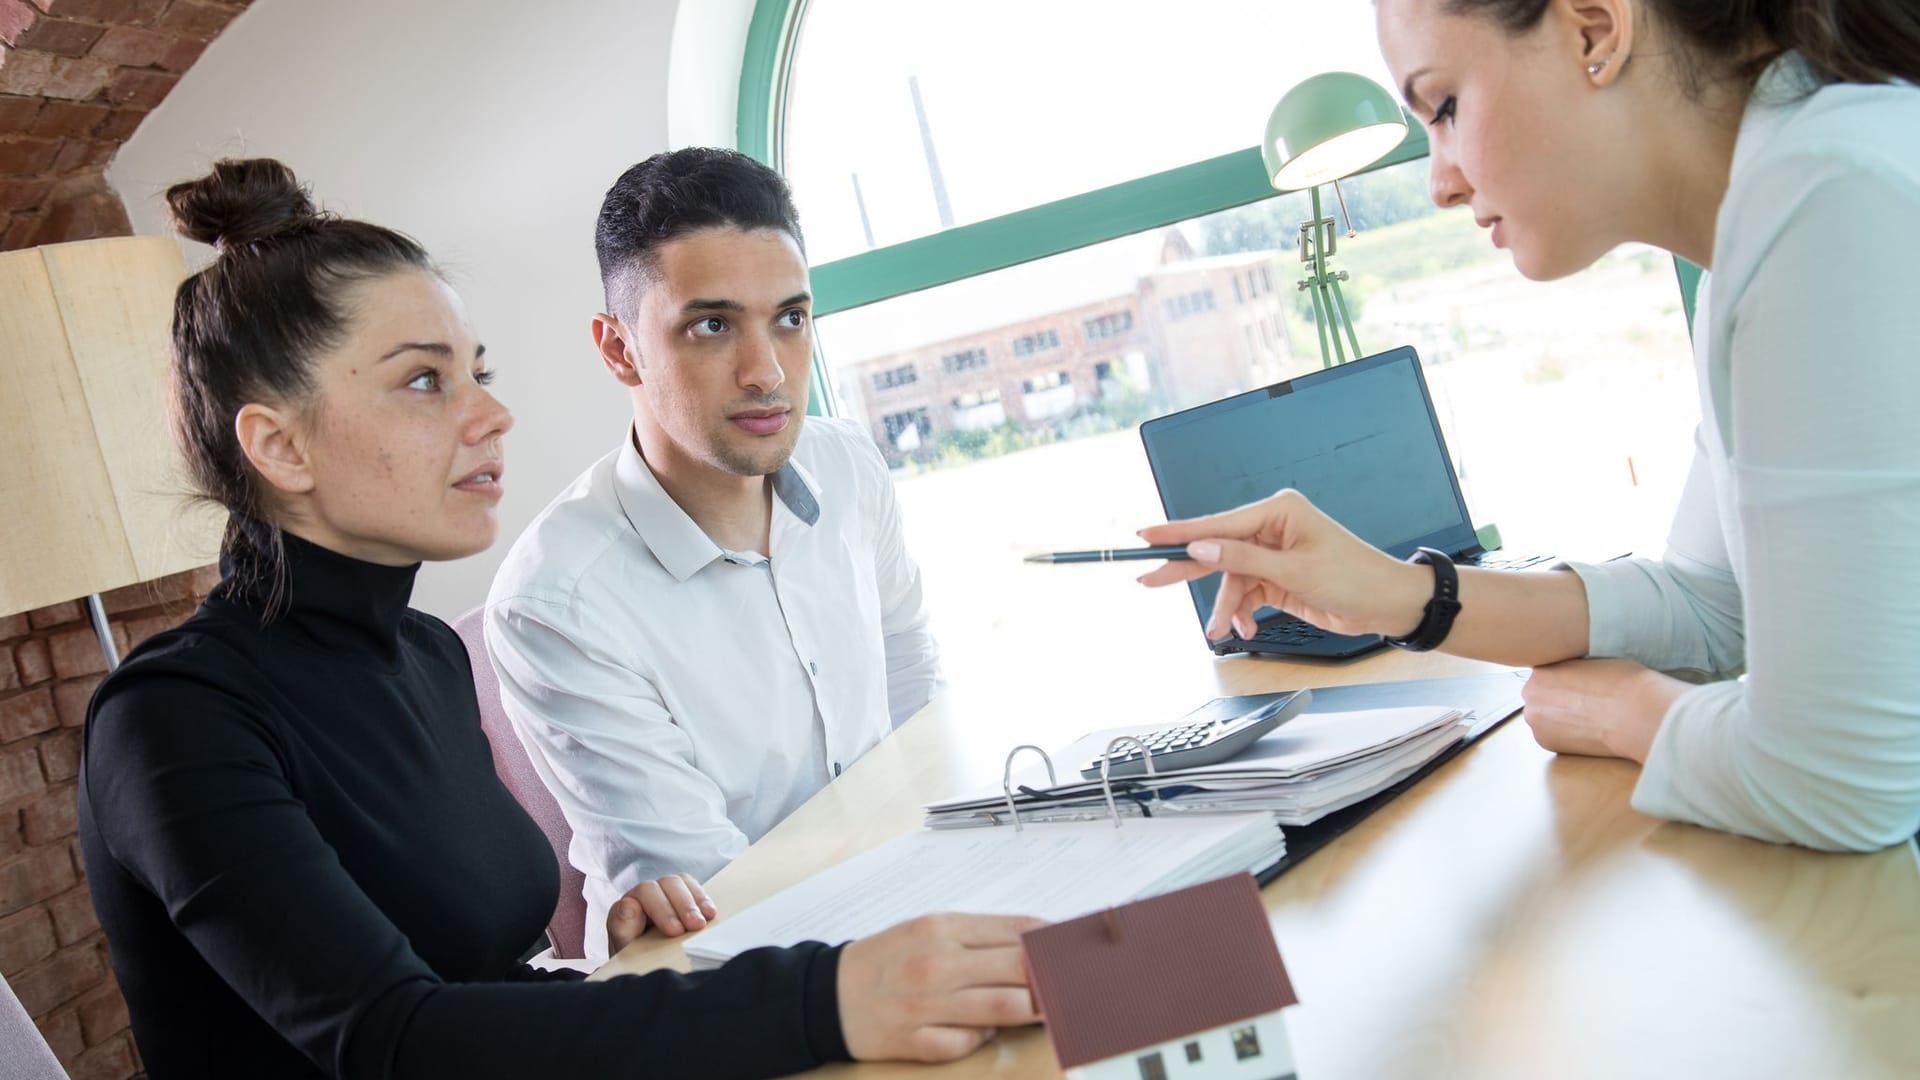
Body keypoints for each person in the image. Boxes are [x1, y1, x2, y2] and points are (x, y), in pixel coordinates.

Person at [76, 158, 1037, 1080]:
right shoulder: (172, 721)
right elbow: (396, 1042)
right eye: (425, 381)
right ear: (279, 445)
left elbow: (493, 977)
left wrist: (615, 962)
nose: (492, 415)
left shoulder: (421, 655)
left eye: (477, 372)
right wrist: (822, 998)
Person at [1141, 0, 1920, 852]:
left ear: (1593, 28)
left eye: (1444, 109)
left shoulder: (1831, 199)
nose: (1440, 181)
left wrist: (1623, 710)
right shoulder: (1771, 220)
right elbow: (1712, 606)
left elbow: (1844, 781)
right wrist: (1397, 594)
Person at [485, 147, 943, 959]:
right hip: (726, 974)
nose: (768, 372)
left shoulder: (847, 465)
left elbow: (919, 706)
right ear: (619, 348)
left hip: (904, 904)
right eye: (711, 325)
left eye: (790, 319)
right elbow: (710, 895)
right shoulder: (555, 602)